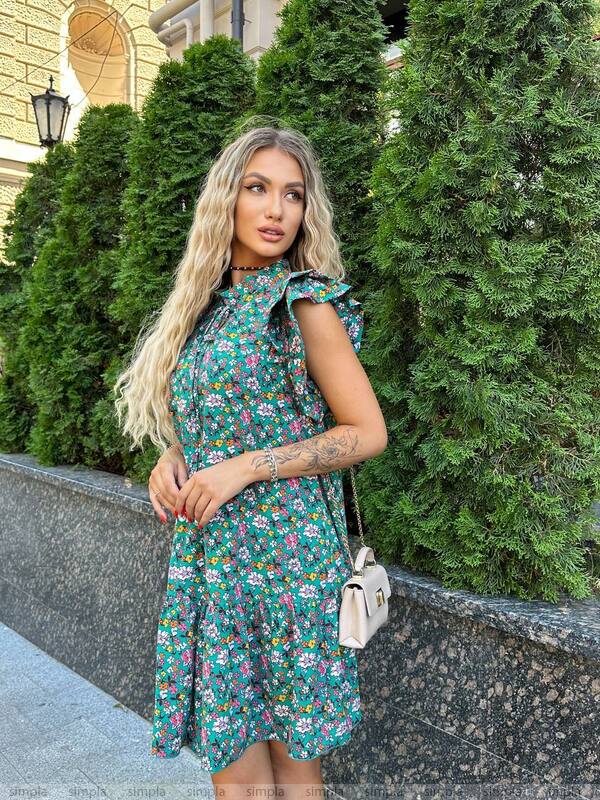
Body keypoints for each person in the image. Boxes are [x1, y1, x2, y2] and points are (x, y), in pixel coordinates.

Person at [114, 122, 388, 800]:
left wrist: (242, 469)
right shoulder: (205, 312)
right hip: (214, 565)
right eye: (258, 188)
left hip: (290, 565)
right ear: (226, 200)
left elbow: (366, 432)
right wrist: (173, 459)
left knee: (296, 773)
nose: (276, 210)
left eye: (292, 195)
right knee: (236, 778)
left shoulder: (303, 301)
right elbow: (214, 420)